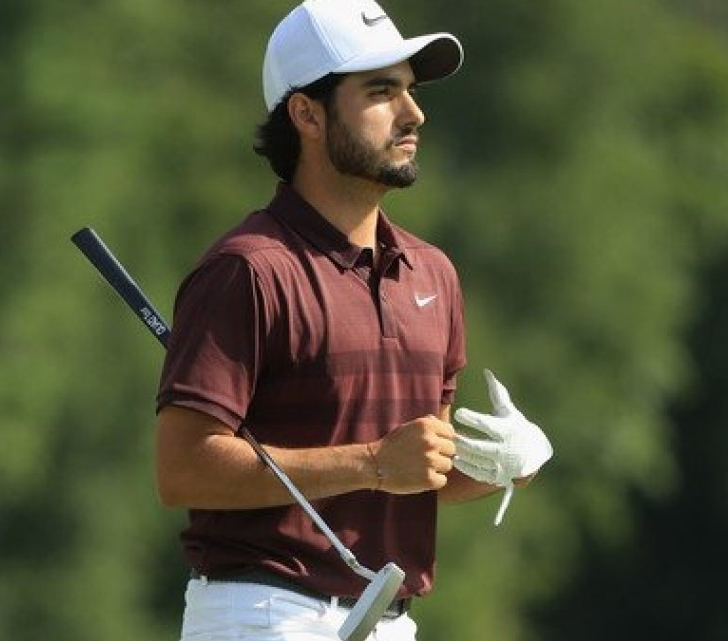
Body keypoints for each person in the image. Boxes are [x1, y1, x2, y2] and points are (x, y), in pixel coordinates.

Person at [153, 1, 552, 640]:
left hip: (389, 623)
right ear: (306, 114)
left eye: (410, 92)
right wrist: (370, 462)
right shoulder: (248, 270)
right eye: (381, 91)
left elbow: (414, 472)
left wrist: (502, 463)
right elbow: (183, 470)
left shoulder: (434, 274)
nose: (413, 113)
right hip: (260, 617)